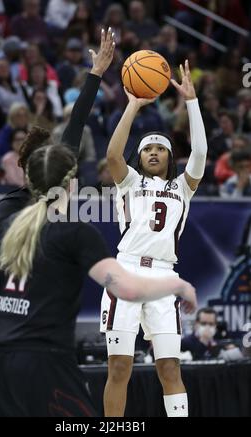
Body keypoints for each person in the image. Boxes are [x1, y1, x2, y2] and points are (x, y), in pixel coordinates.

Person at [0, 140, 197, 417]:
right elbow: (126, 288)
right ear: (70, 186)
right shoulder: (75, 233)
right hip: (44, 354)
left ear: (30, 181)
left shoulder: (4, 229)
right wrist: (178, 284)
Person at [0, 28, 115, 417]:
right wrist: (95, 73)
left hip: (7, 327)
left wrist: (95, 74)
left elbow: (73, 129)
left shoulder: (28, 200)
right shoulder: (15, 208)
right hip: (28, 329)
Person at [100, 60, 207, 418]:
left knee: (170, 368)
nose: (154, 152)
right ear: (140, 157)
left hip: (164, 276)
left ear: (169, 157)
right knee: (119, 367)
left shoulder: (182, 188)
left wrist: (191, 102)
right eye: (148, 149)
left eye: (160, 148)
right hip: (126, 271)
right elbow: (113, 154)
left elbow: (201, 154)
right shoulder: (127, 181)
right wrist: (133, 104)